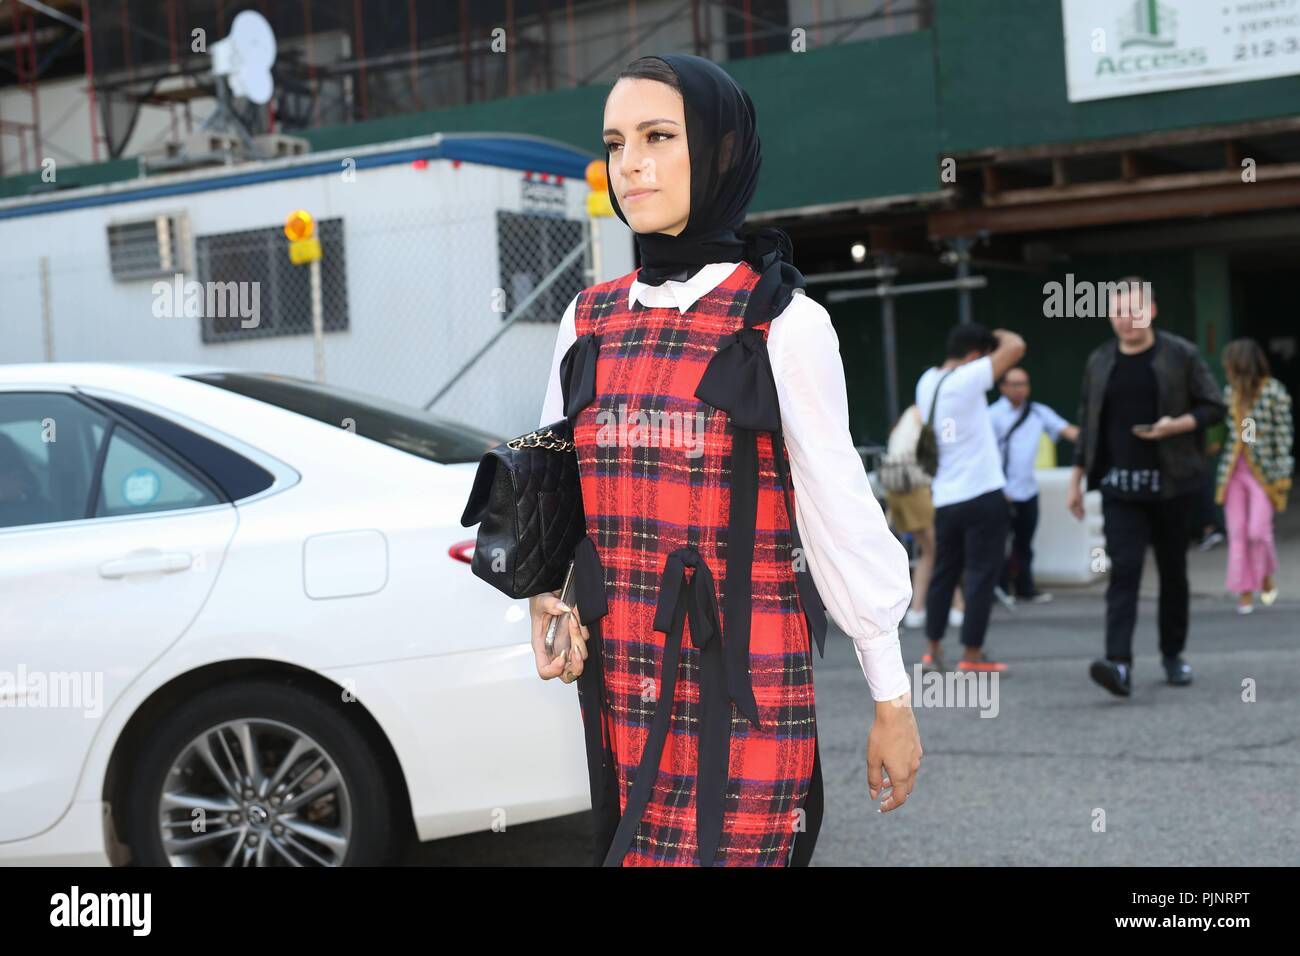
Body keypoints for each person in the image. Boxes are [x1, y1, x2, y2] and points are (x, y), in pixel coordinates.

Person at [531, 54, 921, 867]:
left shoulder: (785, 321)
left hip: (744, 681)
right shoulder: (588, 316)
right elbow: (555, 483)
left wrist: (892, 698)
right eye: (615, 142)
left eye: (657, 136)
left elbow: (838, 511)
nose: (628, 163)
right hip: (622, 680)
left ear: (719, 151)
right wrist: (548, 599)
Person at [1066, 277, 1227, 697]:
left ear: (1151, 311)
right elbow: (1089, 422)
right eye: (1119, 312)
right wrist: (1076, 480)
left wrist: (1178, 425)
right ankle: (1119, 664)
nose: (1127, 320)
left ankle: (1173, 655)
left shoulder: (1180, 354)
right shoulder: (1099, 361)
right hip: (1120, 489)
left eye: (1135, 311)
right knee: (1124, 574)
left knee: (1174, 574)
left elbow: (1213, 406)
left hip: (1172, 485)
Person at [915, 323, 1026, 673]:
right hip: (982, 494)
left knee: (944, 573)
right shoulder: (968, 379)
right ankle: (972, 656)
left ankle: (932, 650)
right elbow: (1016, 344)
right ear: (976, 356)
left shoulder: (926, 381)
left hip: (945, 498)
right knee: (980, 575)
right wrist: (995, 336)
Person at [1215, 338, 1294, 614]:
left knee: (1257, 532)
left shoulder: (1274, 392)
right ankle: (1245, 590)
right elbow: (1228, 432)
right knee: (1237, 533)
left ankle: (1265, 574)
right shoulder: (1230, 393)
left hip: (1263, 472)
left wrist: (1282, 475)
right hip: (1234, 471)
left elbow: (1283, 437)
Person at [988, 367, 1079, 606]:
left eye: (1024, 384)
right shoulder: (992, 415)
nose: (1019, 389)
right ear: (1003, 387)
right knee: (997, 543)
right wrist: (999, 487)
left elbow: (1068, 431)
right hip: (1000, 490)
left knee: (1025, 542)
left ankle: (1025, 588)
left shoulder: (1039, 412)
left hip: (1028, 489)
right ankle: (998, 589)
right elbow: (984, 455)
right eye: (1014, 384)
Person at [882, 404, 966, 632]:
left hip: (897, 487)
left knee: (929, 552)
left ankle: (918, 609)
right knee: (938, 549)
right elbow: (944, 447)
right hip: (914, 486)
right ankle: (957, 605)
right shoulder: (930, 412)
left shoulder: (909, 416)